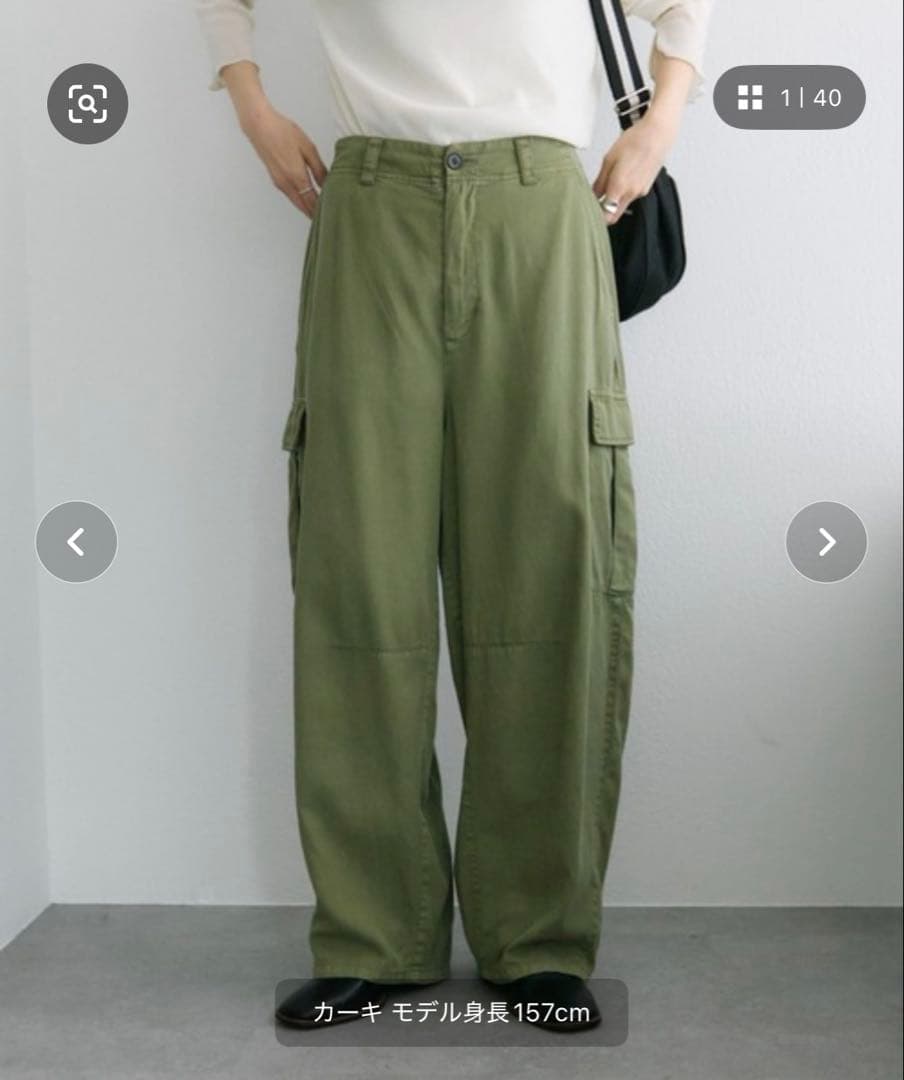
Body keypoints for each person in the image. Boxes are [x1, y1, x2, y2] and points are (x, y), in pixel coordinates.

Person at [194, 0, 711, 1034]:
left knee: (550, 574)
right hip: (371, 201)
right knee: (358, 577)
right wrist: (252, 108)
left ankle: (540, 943)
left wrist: (658, 124)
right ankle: (372, 938)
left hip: (539, 204)